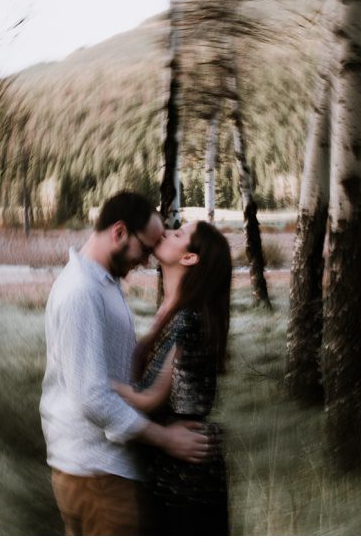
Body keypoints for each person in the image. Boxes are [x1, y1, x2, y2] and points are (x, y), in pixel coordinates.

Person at [39, 191, 211, 536]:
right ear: (119, 233)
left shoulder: (103, 283)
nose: (148, 260)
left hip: (105, 470)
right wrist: (165, 439)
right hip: (96, 473)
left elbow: (117, 373)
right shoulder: (82, 291)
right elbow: (92, 397)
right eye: (145, 249)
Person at [112, 220, 233, 535]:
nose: (166, 232)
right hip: (168, 466)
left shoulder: (189, 319)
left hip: (185, 480)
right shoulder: (171, 309)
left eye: (178, 234)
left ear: (189, 258)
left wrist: (99, 387)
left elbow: (150, 399)